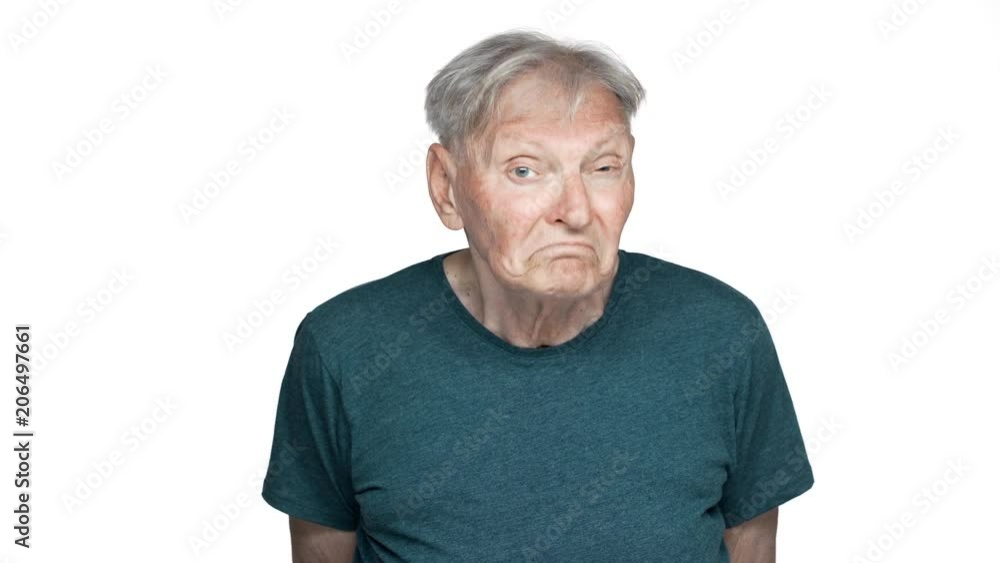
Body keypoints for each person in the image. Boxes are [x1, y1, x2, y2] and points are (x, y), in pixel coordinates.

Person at [261, 29, 814, 562]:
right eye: (525, 170)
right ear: (446, 187)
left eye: (603, 168)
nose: (575, 210)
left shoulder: (722, 334)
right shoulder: (345, 348)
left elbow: (752, 544)